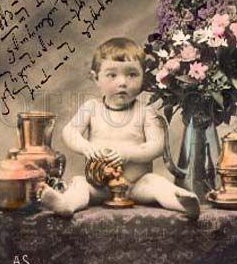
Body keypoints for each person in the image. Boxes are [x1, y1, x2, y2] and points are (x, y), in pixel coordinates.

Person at [41, 37, 200, 218]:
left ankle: (183, 204)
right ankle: (66, 204)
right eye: (112, 75)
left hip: (137, 185)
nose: (122, 82)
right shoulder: (91, 108)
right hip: (99, 186)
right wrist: (87, 148)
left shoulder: (146, 112)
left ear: (143, 77)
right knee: (79, 183)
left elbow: (157, 145)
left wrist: (126, 153)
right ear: (96, 78)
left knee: (156, 182)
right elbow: (69, 132)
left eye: (132, 74)